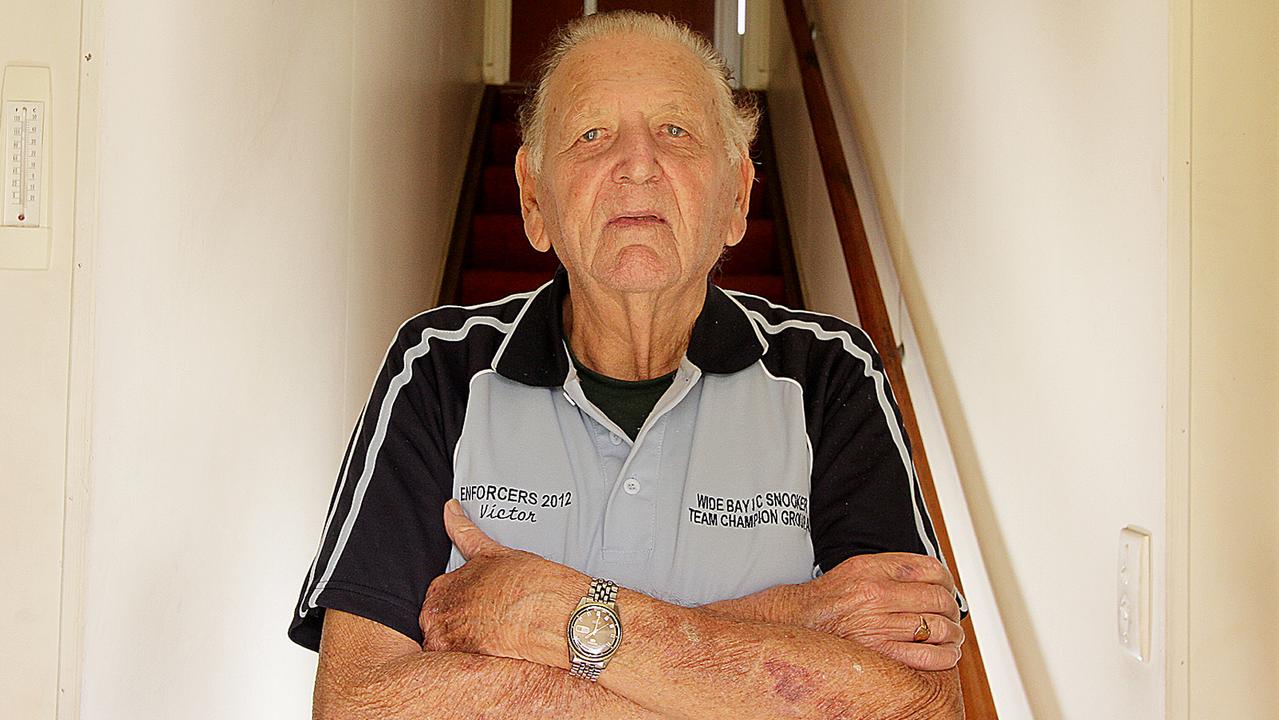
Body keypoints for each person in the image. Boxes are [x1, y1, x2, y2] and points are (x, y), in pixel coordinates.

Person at [289, 10, 966, 719]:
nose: (637, 163)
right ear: (532, 198)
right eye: (591, 134)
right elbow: (358, 703)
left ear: (736, 196)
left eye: (676, 131)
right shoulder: (435, 368)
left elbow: (917, 704)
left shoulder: (831, 371)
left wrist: (551, 616)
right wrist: (790, 620)